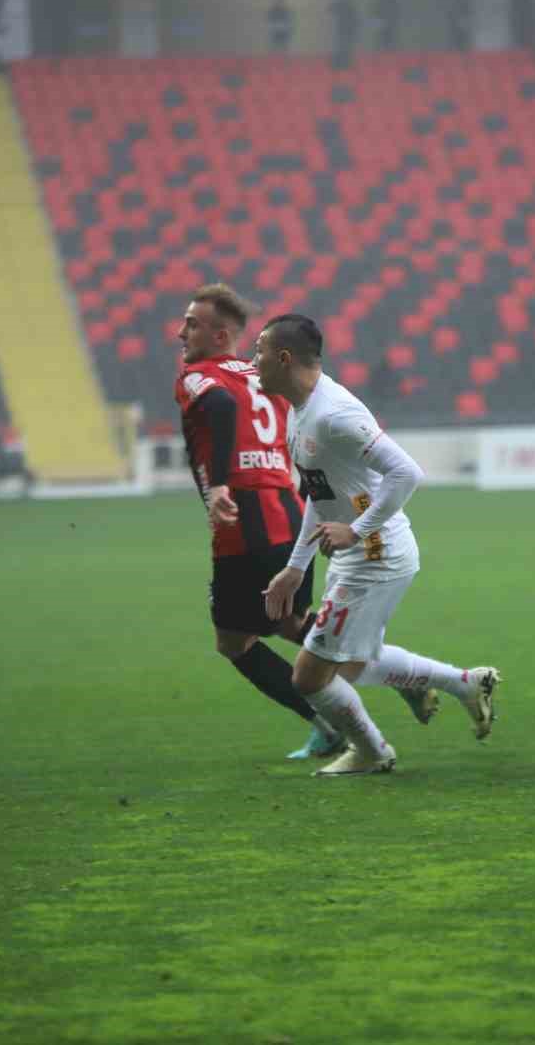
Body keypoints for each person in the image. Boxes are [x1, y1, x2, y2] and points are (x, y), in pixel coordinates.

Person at [256, 314, 501, 776]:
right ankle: (466, 684)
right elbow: (321, 494)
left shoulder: (334, 414)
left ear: (284, 358)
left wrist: (357, 530)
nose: (254, 361)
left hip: (376, 556)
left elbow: (407, 472)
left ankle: (372, 751)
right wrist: (295, 567)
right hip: (359, 555)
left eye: (260, 351)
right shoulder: (299, 410)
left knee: (312, 676)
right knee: (349, 666)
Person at [175, 284, 346, 760]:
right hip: (291, 509)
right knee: (294, 625)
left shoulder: (198, 375)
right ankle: (407, 676)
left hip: (246, 516)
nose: (181, 333)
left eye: (191, 324)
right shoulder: (263, 372)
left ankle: (327, 724)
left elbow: (223, 409)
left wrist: (222, 484)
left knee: (234, 639)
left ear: (220, 333)